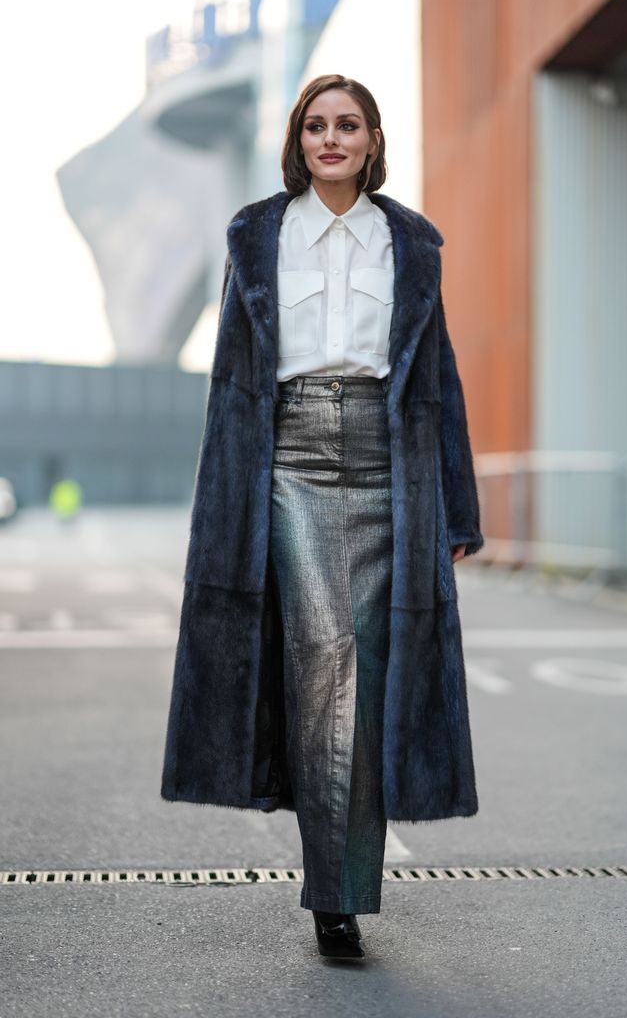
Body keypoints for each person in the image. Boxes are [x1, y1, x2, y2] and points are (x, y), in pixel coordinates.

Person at [160, 74, 484, 963]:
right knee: (322, 667)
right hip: (291, 462)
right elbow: (232, 382)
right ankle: (334, 899)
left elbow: (439, 380)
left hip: (391, 467)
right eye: (316, 126)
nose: (331, 139)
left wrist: (456, 505)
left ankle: (343, 884)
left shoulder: (413, 242)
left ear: (374, 140)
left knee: (370, 678)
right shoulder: (256, 235)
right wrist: (225, 506)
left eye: (348, 126)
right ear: (298, 141)